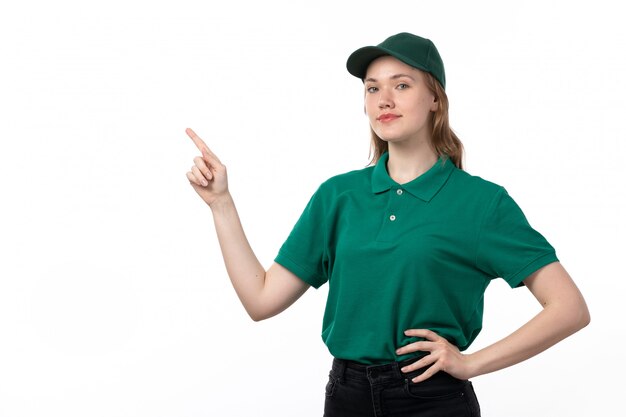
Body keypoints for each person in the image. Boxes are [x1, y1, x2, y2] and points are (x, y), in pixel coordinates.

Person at [184, 32, 590, 417]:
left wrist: (471, 363)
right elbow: (261, 300)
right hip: (347, 396)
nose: (384, 100)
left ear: (435, 98)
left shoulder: (482, 204)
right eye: (372, 88)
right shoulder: (338, 196)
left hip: (433, 399)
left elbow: (569, 308)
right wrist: (222, 204)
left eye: (401, 85)